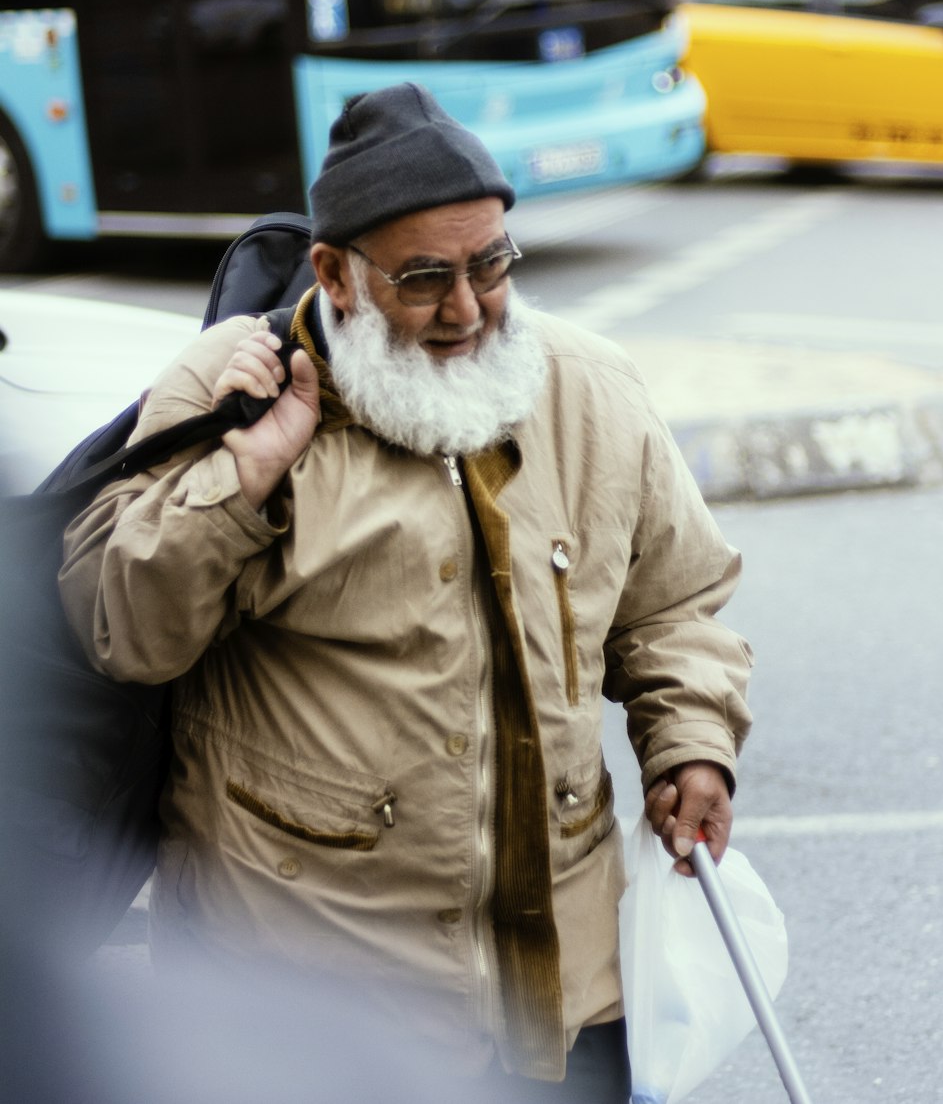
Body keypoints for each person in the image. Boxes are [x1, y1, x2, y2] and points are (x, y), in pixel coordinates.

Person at [59, 83, 753, 1101]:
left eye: (491, 265)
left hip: (563, 998)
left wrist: (691, 739)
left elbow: (674, 605)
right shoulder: (230, 396)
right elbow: (123, 629)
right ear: (336, 273)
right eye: (425, 278)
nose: (467, 310)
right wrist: (245, 479)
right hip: (306, 1021)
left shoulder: (591, 391)